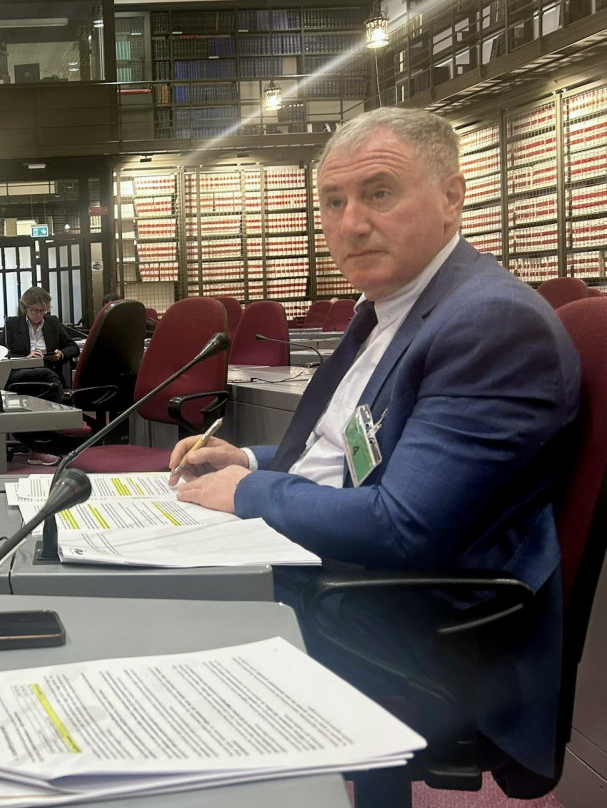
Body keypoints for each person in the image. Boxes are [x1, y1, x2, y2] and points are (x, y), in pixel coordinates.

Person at [167, 107, 580, 790]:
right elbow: (356, 454)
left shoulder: (490, 322)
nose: (351, 223)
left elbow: (402, 525)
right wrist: (250, 461)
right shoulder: (388, 308)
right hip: (343, 574)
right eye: (333, 202)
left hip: (409, 623)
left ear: (451, 197)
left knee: (160, 627)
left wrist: (249, 493)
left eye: (379, 193)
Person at [0, 286, 80, 465]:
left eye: (42, 311)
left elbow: (73, 347)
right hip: (21, 375)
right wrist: (25, 358)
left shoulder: (52, 323)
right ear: (25, 308)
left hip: (48, 373)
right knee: (50, 381)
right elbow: (1, 354)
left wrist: (60, 354)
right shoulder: (12, 325)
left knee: (48, 381)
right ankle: (45, 446)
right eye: (34, 310)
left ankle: (38, 448)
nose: (38, 315)